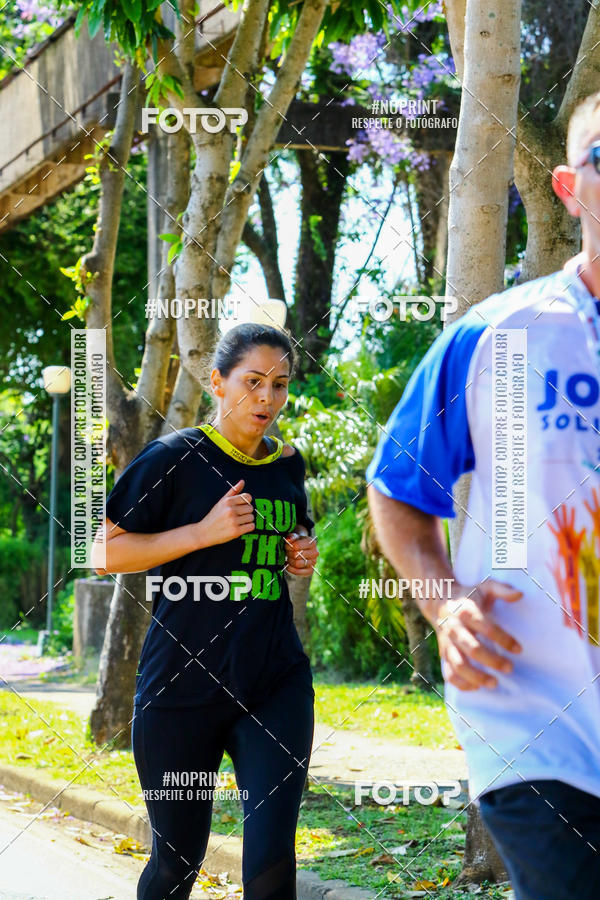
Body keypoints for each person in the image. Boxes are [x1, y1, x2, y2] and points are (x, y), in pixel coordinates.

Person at [366, 91, 600, 899]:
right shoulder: (501, 336)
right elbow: (399, 485)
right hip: (535, 719)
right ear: (571, 189)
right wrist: (445, 606)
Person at [93, 323, 318, 900]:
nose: (266, 398)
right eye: (252, 382)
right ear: (217, 382)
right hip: (181, 691)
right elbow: (105, 551)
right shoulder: (174, 457)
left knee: (271, 864)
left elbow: (291, 540)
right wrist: (199, 532)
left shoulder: (288, 465)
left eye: (279, 384)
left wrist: (299, 556)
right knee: (176, 863)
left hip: (274, 682)